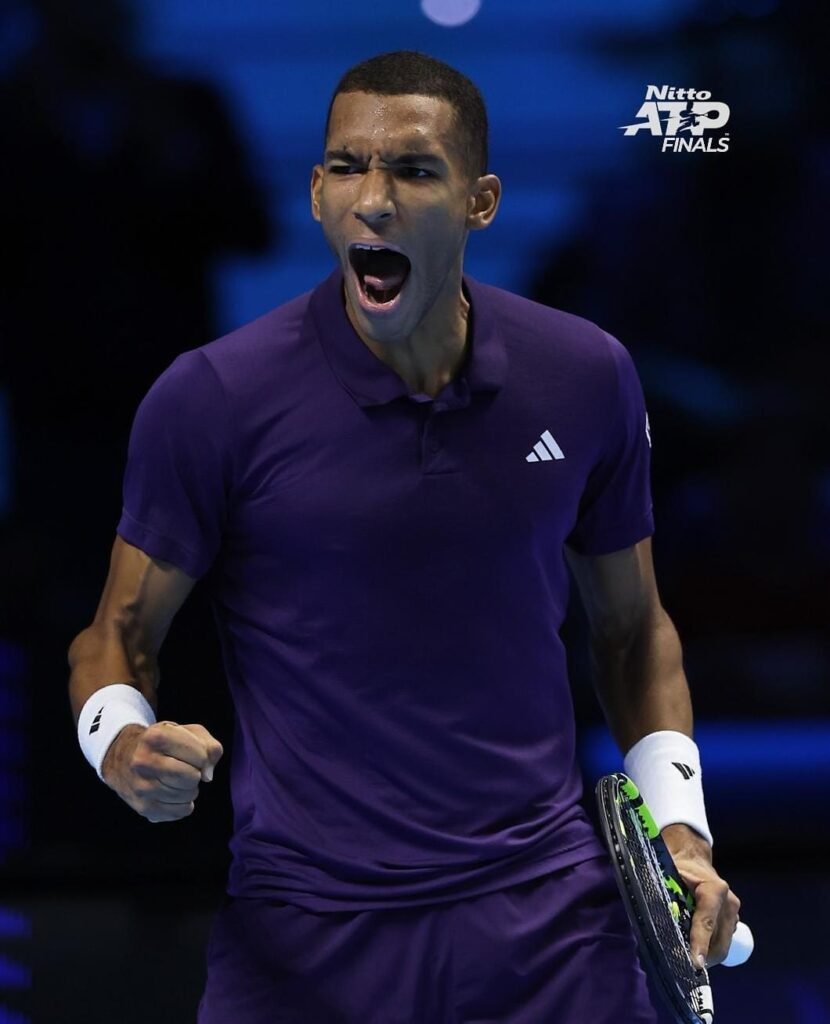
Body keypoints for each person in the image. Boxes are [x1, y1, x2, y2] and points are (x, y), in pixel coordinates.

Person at [67, 50, 741, 1023]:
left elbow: (632, 632)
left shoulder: (584, 375)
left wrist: (680, 831)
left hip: (549, 928)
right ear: (315, 193)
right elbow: (116, 635)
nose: (374, 201)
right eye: (347, 167)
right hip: (302, 937)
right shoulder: (211, 399)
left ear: (480, 202)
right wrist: (121, 742)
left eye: (415, 171)